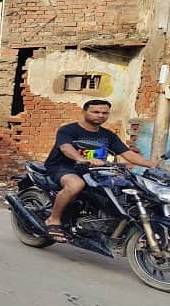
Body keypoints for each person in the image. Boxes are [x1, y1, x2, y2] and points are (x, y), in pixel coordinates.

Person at [43, 99, 156, 242]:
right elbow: (66, 148)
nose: (100, 115)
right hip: (63, 167)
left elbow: (128, 154)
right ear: (84, 112)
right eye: (96, 112)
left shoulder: (107, 135)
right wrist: (81, 158)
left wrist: (153, 165)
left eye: (104, 113)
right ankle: (53, 219)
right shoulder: (68, 130)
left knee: (126, 187)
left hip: (94, 171)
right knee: (76, 184)